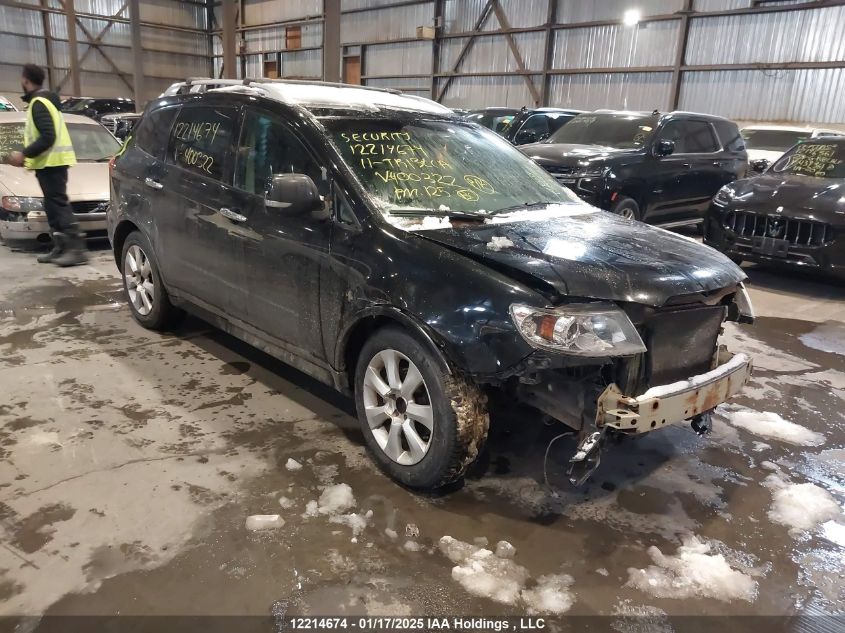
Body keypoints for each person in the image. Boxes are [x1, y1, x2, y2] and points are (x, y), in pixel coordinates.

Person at [6, 64, 87, 266]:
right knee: (52, 205)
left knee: (58, 204)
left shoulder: (39, 103)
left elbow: (48, 136)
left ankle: (76, 250)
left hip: (53, 163)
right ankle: (59, 247)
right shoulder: (43, 101)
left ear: (25, 80)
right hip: (48, 163)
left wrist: (24, 154)